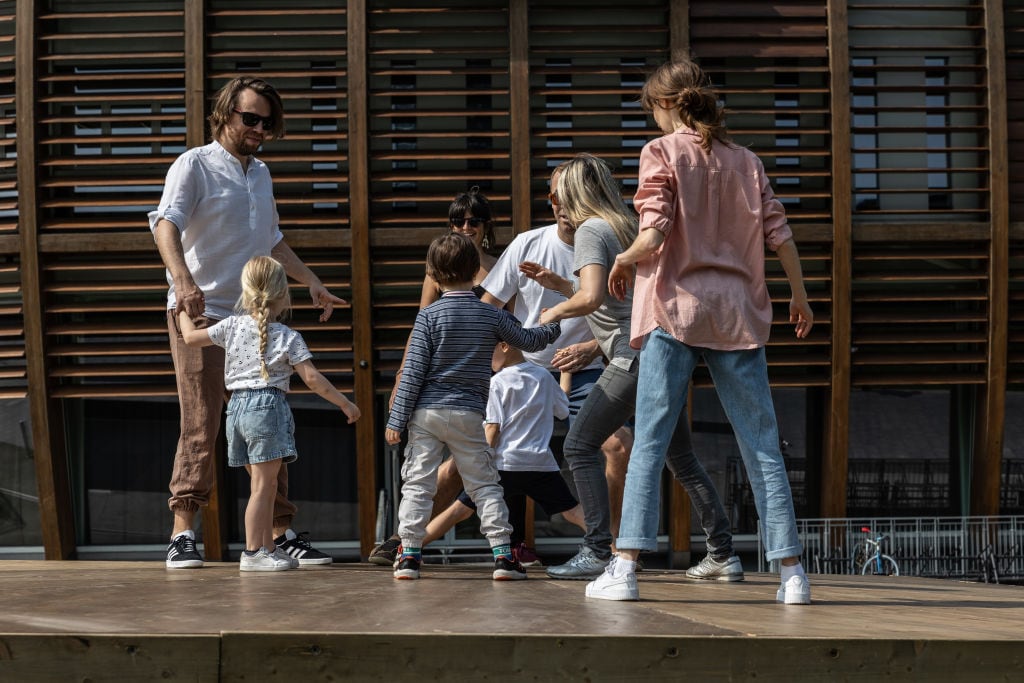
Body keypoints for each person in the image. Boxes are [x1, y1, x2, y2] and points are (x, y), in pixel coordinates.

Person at [587, 58, 814, 603]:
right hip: (738, 314)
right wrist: (800, 295)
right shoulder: (747, 161)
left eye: (651, 110)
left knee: (650, 441)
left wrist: (622, 259)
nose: (653, 121)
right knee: (762, 446)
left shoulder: (661, 153)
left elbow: (655, 229)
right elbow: (779, 233)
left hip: (675, 310)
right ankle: (791, 575)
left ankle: (625, 567)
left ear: (666, 104)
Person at [151, 76, 346, 569]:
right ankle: (182, 534)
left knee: (267, 419)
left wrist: (311, 282)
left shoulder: (260, 174)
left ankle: (278, 535)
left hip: (253, 319)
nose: (259, 128)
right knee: (200, 420)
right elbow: (164, 223)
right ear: (224, 115)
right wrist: (183, 282)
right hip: (200, 313)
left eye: (267, 121)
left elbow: (272, 243)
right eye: (250, 118)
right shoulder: (194, 164)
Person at [524, 153, 741, 583]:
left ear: (572, 194)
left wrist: (551, 313)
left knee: (579, 446)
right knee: (681, 458)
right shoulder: (628, 226)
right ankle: (724, 553)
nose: (554, 205)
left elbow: (588, 301)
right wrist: (560, 284)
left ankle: (595, 550)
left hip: (631, 355)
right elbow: (613, 295)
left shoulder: (589, 229)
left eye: (555, 195)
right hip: (663, 353)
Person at [477, 164, 635, 573]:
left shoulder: (609, 238)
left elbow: (620, 310)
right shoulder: (528, 244)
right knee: (470, 446)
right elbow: (486, 310)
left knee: (617, 445)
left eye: (569, 194)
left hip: (587, 368)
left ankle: (614, 547)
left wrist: (590, 347)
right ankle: (407, 539)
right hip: (528, 369)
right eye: (554, 196)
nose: (561, 204)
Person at [385, 233, 562, 581]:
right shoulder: (489, 315)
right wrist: (555, 322)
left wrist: (396, 418)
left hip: (426, 414)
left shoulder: (428, 318)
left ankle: (408, 555)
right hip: (469, 414)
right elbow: (530, 339)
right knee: (485, 485)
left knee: (418, 485)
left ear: (433, 275)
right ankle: (502, 557)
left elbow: (413, 372)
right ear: (475, 271)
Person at [177, 256, 361, 571]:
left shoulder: (231, 327)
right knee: (263, 487)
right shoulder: (288, 336)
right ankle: (252, 553)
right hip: (267, 410)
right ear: (282, 294)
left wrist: (180, 309)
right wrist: (345, 403)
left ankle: (268, 547)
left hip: (236, 410)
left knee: (268, 485)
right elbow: (313, 379)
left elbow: (191, 339)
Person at [370, 188, 506, 565]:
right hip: (442, 384)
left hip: (492, 378)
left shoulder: (499, 267)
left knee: (479, 465)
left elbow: (512, 326)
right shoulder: (439, 271)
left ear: (485, 225)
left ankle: (413, 543)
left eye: (473, 221)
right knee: (440, 467)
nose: (466, 227)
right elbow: (421, 327)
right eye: (458, 221)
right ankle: (408, 543)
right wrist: (401, 380)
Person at [399, 340, 586, 557]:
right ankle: (611, 549)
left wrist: (479, 462)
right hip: (539, 464)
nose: (486, 360)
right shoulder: (543, 376)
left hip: (503, 464)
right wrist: (565, 371)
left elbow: (493, 429)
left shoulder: (497, 383)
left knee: (458, 511)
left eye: (488, 352)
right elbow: (562, 408)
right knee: (573, 512)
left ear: (505, 346)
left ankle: (409, 552)